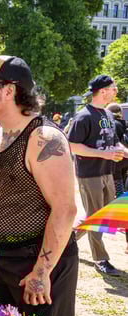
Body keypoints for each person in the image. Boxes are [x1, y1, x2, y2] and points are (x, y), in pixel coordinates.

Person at [0, 55, 79, 316]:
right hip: (4, 259)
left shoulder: (44, 138)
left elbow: (65, 210)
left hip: (39, 264)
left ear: (9, 90)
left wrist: (42, 272)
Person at [67, 75, 127, 276]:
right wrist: (104, 154)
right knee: (96, 217)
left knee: (103, 215)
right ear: (102, 91)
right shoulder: (83, 116)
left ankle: (68, 240)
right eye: (113, 88)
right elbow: (73, 146)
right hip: (89, 174)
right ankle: (101, 259)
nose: (115, 91)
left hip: (107, 172)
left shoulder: (108, 115)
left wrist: (122, 151)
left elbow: (115, 141)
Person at [107, 102, 128, 255]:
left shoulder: (111, 125)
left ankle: (116, 222)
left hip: (113, 168)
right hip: (124, 169)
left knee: (111, 200)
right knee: (122, 202)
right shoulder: (124, 124)